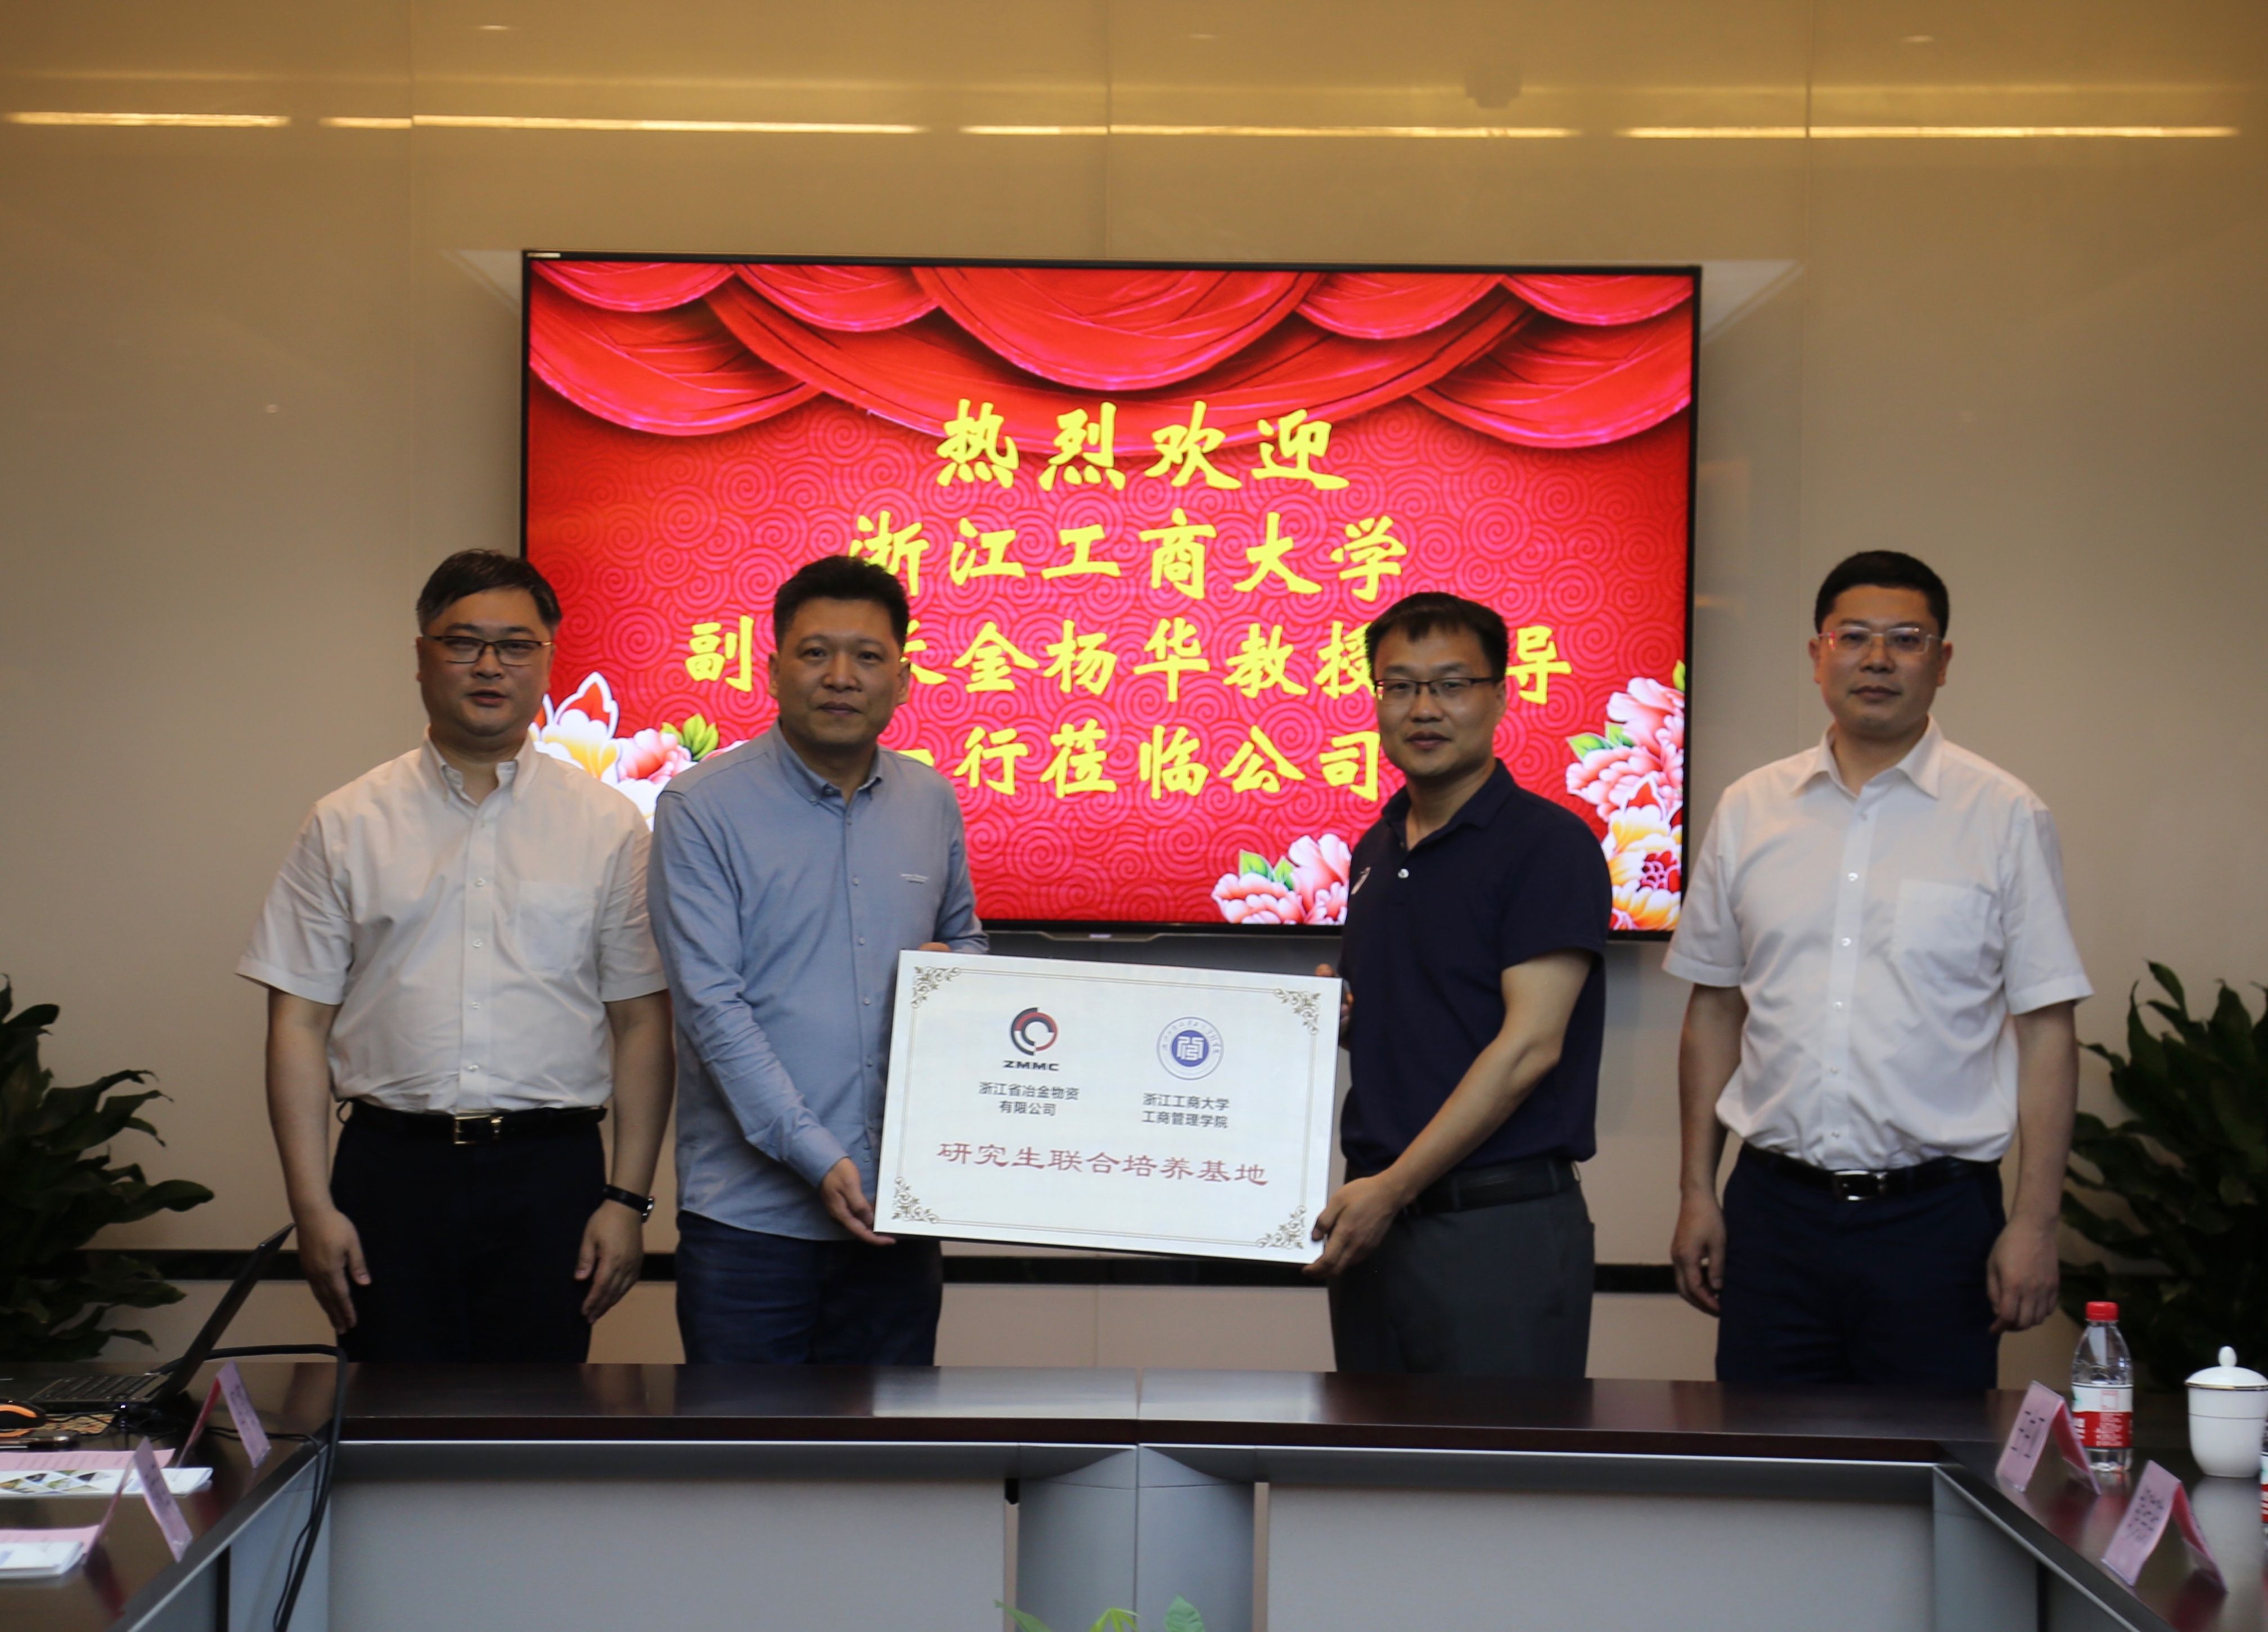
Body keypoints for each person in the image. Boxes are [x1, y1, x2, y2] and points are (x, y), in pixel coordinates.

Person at [1665, 551, 2090, 1388]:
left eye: (1906, 639)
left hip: (1936, 1222)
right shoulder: (1751, 808)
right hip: (1774, 1214)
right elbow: (1714, 1009)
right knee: (1762, 1455)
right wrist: (1696, 1191)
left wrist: (2036, 1223)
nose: (1878, 659)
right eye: (1853, 636)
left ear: (1943, 661)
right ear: (1817, 655)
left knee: (1932, 1458)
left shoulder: (2004, 815)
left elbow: (2047, 1030)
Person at [240, 550, 673, 1362]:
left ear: (548, 659)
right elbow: (297, 1022)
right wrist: (311, 1205)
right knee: (387, 1413)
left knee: (538, 1417)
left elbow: (642, 1022)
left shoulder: (610, 825)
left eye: (516, 645)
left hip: (552, 1174)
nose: (489, 665)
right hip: (388, 1172)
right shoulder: (347, 822)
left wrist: (627, 1199)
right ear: (421, 656)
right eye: (463, 642)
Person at [650, 555, 986, 1365]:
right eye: (815, 653)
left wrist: (957, 977)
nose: (841, 677)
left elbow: (968, 943)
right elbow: (712, 1010)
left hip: (897, 1215)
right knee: (746, 1446)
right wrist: (818, 1155)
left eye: (867, 656)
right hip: (749, 1228)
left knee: (891, 1445)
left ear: (902, 680)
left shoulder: (931, 799)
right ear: (772, 671)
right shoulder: (700, 807)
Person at [1308, 591, 1612, 1378]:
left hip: (1494, 1226)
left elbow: (1530, 1047)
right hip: (1377, 1219)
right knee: (1367, 1453)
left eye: (1451, 685)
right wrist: (1337, 1018)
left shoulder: (1548, 845)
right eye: (1400, 686)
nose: (1424, 709)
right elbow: (1430, 1017)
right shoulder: (1377, 848)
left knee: (1494, 1457)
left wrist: (1392, 1188)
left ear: (1500, 696)